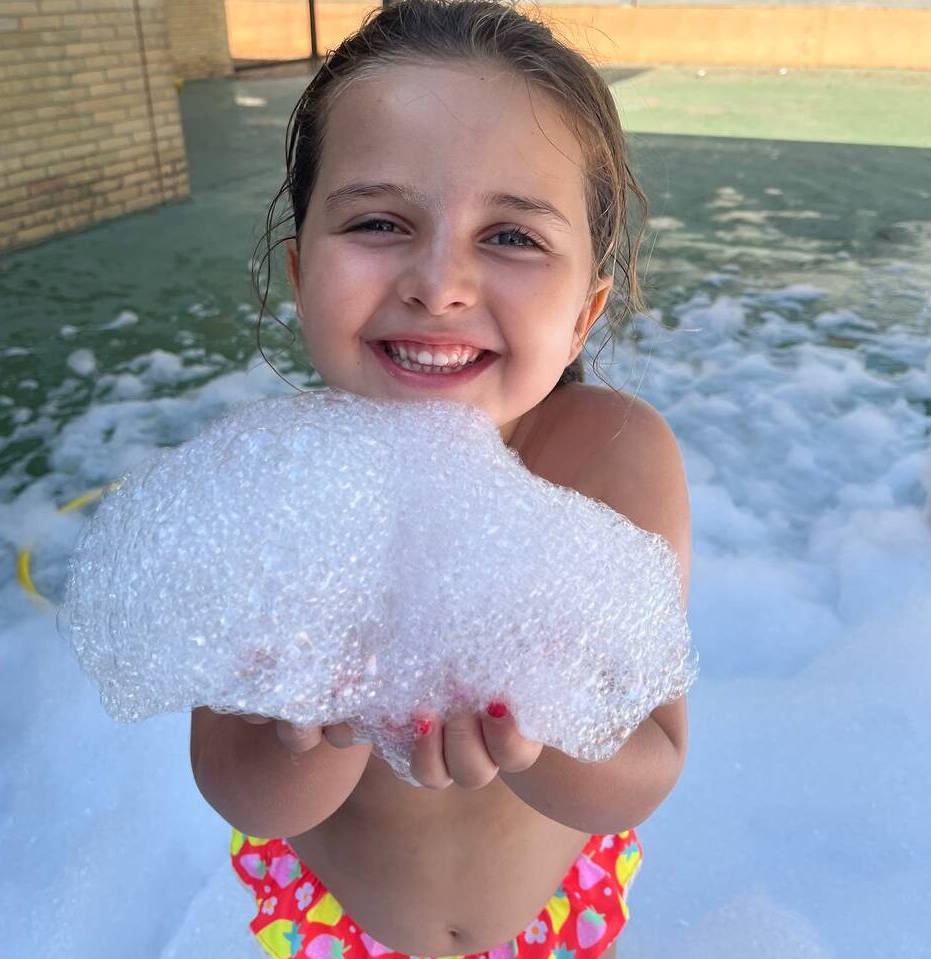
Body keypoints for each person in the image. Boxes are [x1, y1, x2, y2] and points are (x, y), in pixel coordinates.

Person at [190, 2, 691, 958]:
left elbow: (651, 760)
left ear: (583, 314)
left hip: (557, 912)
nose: (438, 282)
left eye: (511, 236)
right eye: (379, 221)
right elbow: (237, 787)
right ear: (299, 273)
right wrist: (312, 726)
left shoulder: (615, 454)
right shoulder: (274, 483)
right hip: (330, 917)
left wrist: (539, 729)